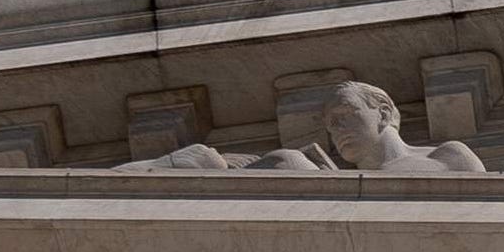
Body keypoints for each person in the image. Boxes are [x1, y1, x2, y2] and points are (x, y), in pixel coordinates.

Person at [130, 76, 484, 175]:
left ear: (385, 112)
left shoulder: (448, 157)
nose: (337, 129)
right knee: (289, 162)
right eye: (331, 125)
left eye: (345, 115)